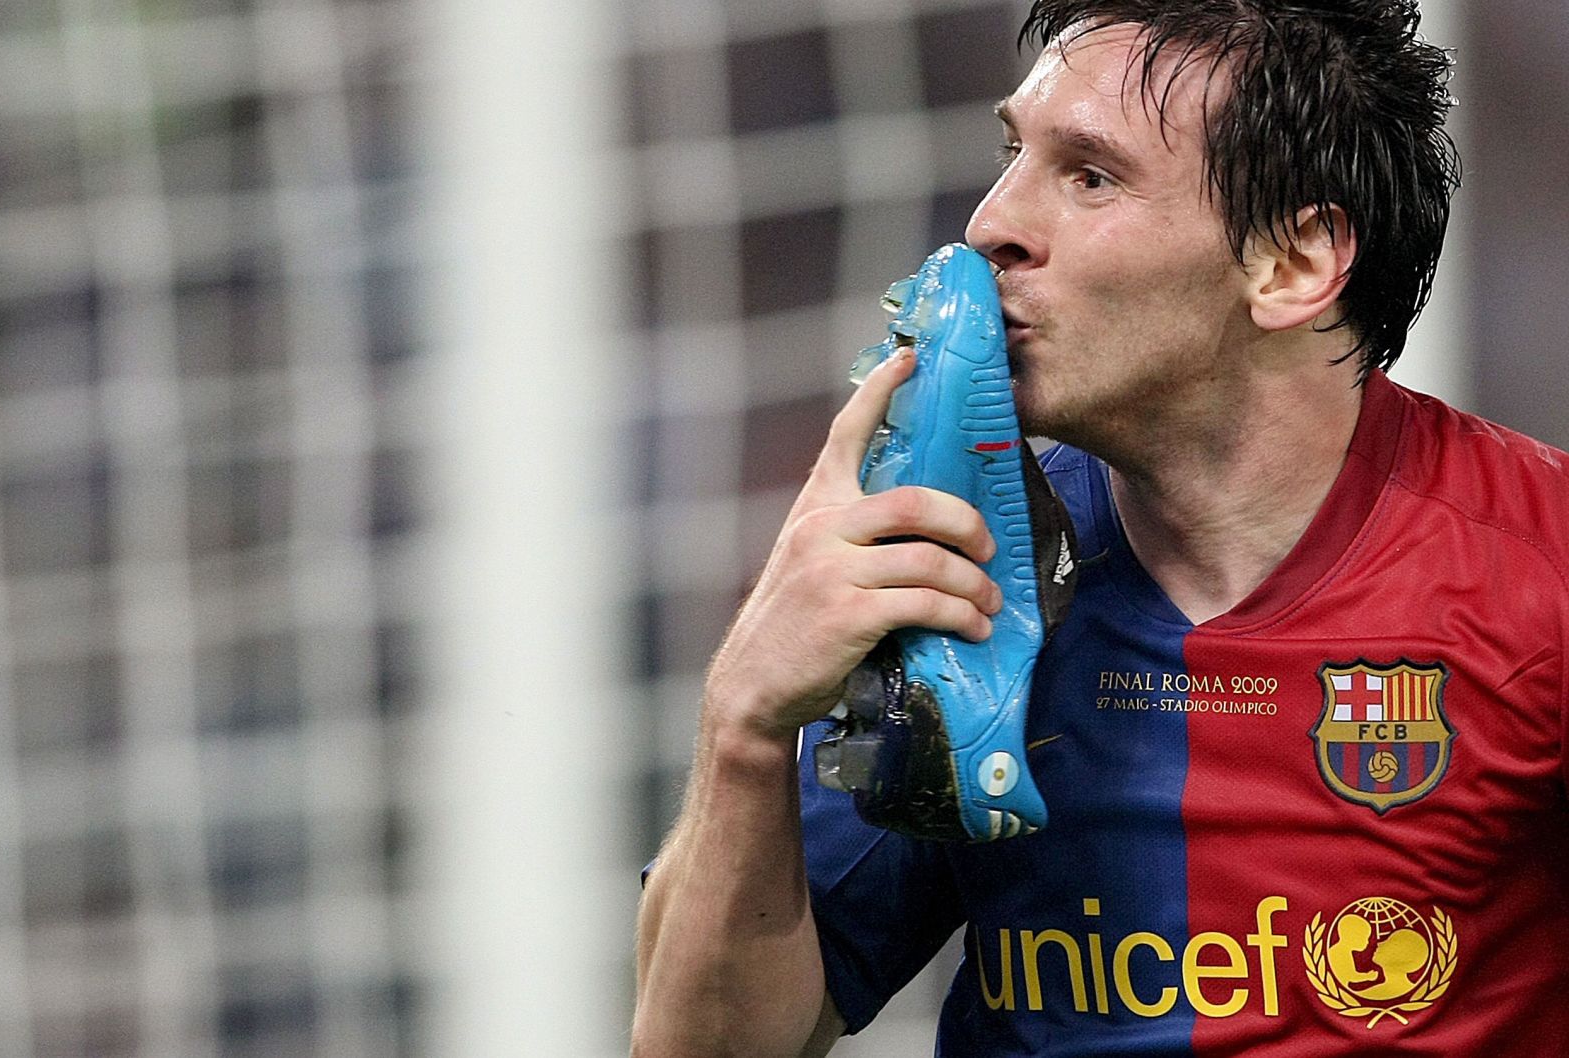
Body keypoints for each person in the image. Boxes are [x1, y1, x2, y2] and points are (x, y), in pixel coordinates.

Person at [633, 1, 1569, 1055]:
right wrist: (747, 723)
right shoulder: (957, 561)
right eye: (1011, 154)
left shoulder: (1543, 574)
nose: (989, 224)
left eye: (1089, 175)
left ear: (1292, 261)